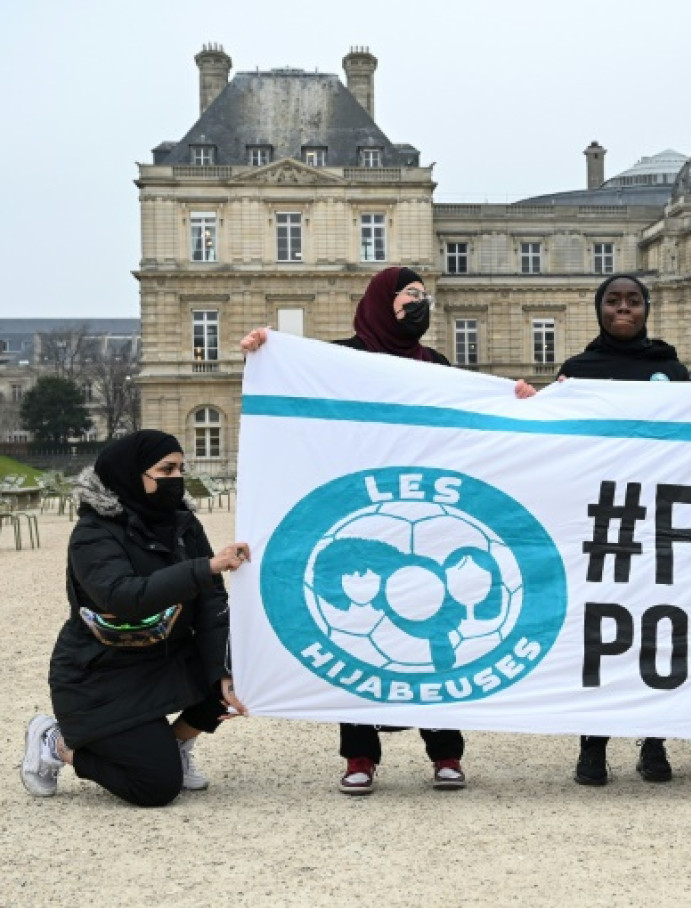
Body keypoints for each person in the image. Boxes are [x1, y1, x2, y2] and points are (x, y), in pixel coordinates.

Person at [242, 266, 533, 795]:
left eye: (425, 296)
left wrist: (509, 397)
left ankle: (446, 752)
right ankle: (359, 754)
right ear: (382, 300)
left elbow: (476, 414)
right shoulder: (341, 357)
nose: (420, 304)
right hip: (360, 511)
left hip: (428, 514)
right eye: (410, 295)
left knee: (439, 631)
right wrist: (267, 347)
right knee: (354, 628)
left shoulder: (437, 364)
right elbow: (294, 382)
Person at [20, 430, 251, 806]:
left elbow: (211, 604)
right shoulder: (93, 533)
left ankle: (172, 746)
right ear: (131, 473)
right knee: (156, 787)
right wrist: (205, 566)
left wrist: (223, 672)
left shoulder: (183, 523)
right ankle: (58, 743)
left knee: (242, 670)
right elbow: (123, 598)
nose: (176, 478)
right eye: (166, 469)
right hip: (104, 674)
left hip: (165, 658)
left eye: (181, 468)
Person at [559, 273, 689, 785]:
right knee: (599, 635)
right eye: (613, 301)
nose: (624, 308)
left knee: (657, 632)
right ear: (599, 309)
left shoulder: (671, 368)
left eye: (633, 301)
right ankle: (592, 744)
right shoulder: (577, 371)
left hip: (660, 517)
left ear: (647, 309)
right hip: (601, 518)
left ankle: (653, 741)